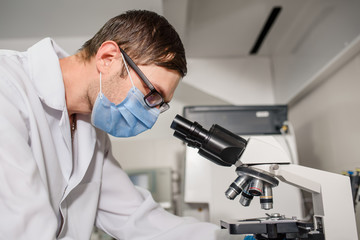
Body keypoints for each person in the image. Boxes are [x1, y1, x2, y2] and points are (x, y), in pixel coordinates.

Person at [0, 10, 219, 239]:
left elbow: (136, 218)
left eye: (160, 104)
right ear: (108, 58)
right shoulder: (7, 86)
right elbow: (22, 224)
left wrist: (231, 237)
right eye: (152, 94)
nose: (152, 115)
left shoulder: (92, 133)